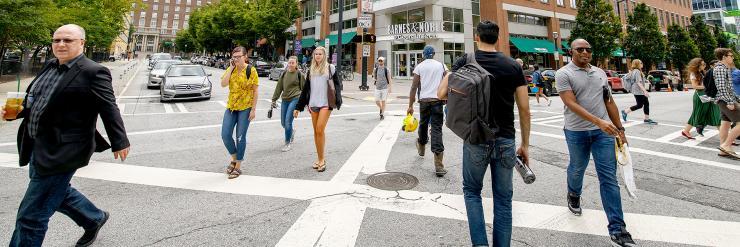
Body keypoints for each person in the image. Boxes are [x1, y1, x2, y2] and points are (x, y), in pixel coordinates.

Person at [1, 24, 130, 247]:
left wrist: (120, 140)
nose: (60, 44)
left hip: (63, 151)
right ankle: (94, 218)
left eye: (67, 40)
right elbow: (38, 100)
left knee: (31, 217)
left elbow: (108, 107)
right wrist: (19, 111)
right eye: (56, 40)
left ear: (82, 43)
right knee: (57, 192)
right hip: (37, 145)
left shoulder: (93, 71)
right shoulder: (50, 65)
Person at [437, 20, 531, 247]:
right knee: (503, 200)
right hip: (506, 139)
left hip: (476, 137)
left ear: (476, 37)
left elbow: (441, 94)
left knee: (471, 192)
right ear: (497, 38)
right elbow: (525, 109)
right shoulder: (513, 66)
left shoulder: (465, 62)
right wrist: (525, 145)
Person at [556, 39, 636, 247]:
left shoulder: (600, 73)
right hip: (576, 131)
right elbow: (570, 103)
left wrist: (620, 128)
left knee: (609, 177)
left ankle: (618, 229)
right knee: (577, 168)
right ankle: (574, 194)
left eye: (588, 49)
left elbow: (609, 101)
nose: (585, 52)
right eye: (580, 49)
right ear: (571, 52)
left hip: (603, 133)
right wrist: (598, 121)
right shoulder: (564, 73)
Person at [294, 46, 343, 172]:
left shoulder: (330, 68)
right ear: (313, 56)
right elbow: (305, 89)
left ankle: (322, 160)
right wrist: (298, 107)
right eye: (316, 54)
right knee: (316, 132)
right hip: (313, 103)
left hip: (326, 103)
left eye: (320, 54)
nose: (318, 56)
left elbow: (337, 85)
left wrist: (338, 100)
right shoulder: (311, 70)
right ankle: (319, 158)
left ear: (324, 55)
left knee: (320, 129)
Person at [407, 45, 448, 177]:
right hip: (437, 101)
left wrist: (410, 105)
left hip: (424, 101)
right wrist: (447, 97)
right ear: (434, 54)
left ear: (423, 55)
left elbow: (414, 87)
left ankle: (422, 146)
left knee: (423, 125)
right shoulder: (441, 65)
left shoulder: (419, 66)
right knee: (436, 129)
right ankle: (438, 165)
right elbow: (448, 81)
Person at [220, 46, 259, 179]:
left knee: (240, 137)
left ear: (245, 57)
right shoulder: (231, 69)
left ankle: (238, 166)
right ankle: (235, 158)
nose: (236, 59)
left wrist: (253, 109)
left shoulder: (251, 70)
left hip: (245, 108)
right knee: (225, 135)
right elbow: (223, 84)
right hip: (231, 107)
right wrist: (230, 68)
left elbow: (255, 91)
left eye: (238, 57)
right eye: (234, 57)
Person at [272, 56, 305, 152]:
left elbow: (304, 89)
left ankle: (287, 143)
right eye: (289, 63)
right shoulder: (284, 74)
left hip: (295, 98)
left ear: (296, 64)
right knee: (283, 122)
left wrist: (303, 103)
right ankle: (291, 132)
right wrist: (274, 99)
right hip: (285, 99)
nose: (290, 65)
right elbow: (279, 87)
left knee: (287, 122)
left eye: (292, 63)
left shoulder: (299, 74)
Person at [682, 58, 721, 139]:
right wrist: (707, 87)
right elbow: (695, 86)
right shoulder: (694, 74)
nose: (704, 66)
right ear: (698, 65)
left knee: (716, 113)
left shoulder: (703, 73)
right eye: (702, 64)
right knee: (697, 114)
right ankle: (686, 130)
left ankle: (724, 135)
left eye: (705, 64)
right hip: (700, 97)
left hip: (709, 96)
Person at [713, 48, 740, 159]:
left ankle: (723, 149)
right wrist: (730, 101)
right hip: (725, 100)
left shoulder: (725, 68)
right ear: (724, 57)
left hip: (725, 99)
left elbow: (729, 87)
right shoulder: (720, 68)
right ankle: (726, 145)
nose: (732, 57)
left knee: (725, 123)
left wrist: (737, 98)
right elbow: (722, 87)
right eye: (730, 55)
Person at [621, 59, 657, 125]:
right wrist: (645, 91)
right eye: (641, 63)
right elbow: (638, 82)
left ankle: (646, 119)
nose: (642, 64)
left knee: (645, 103)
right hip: (638, 91)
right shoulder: (637, 71)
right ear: (637, 64)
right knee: (640, 105)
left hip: (638, 90)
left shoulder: (636, 71)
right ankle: (625, 111)